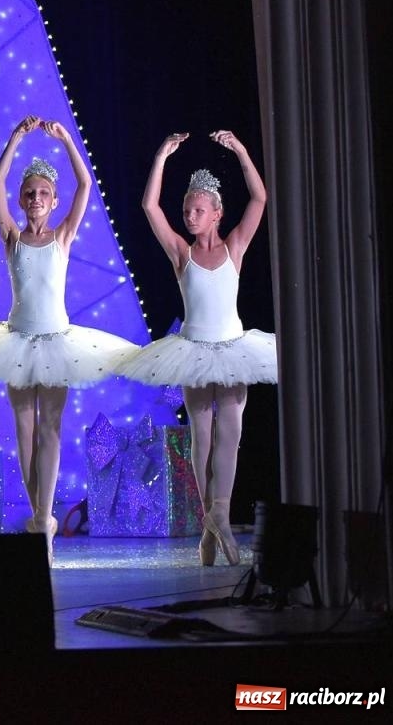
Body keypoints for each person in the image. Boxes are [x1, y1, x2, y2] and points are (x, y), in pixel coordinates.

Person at [0, 116, 136, 563]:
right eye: (30, 193)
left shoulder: (63, 235)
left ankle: (43, 517)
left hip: (58, 341)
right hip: (18, 342)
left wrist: (66, 141)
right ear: (23, 201)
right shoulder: (12, 236)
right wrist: (15, 137)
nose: (36, 198)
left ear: (54, 200)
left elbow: (85, 185)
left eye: (44, 193)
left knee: (50, 428)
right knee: (24, 430)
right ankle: (37, 511)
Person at [120, 131, 275, 565]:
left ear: (216, 214)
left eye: (197, 210)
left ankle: (219, 517)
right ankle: (212, 522)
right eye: (186, 209)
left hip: (232, 348)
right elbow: (150, 207)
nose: (189, 215)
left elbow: (259, 199)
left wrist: (242, 152)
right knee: (202, 435)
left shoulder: (235, 247)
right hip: (192, 349)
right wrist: (161, 156)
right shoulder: (180, 253)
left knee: (232, 432)